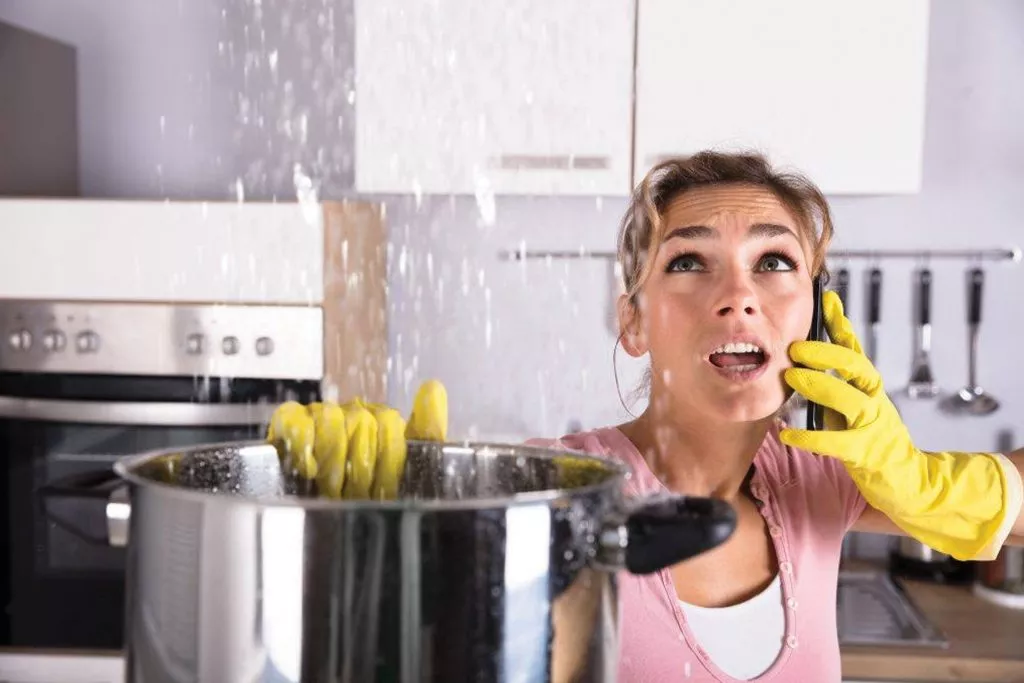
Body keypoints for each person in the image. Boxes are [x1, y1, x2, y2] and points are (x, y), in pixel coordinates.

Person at [267, 150, 1024, 682]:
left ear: (821, 317)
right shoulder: (555, 488)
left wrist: (925, 479)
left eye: (775, 261)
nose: (739, 294)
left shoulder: (828, 477)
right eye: (689, 263)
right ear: (633, 322)